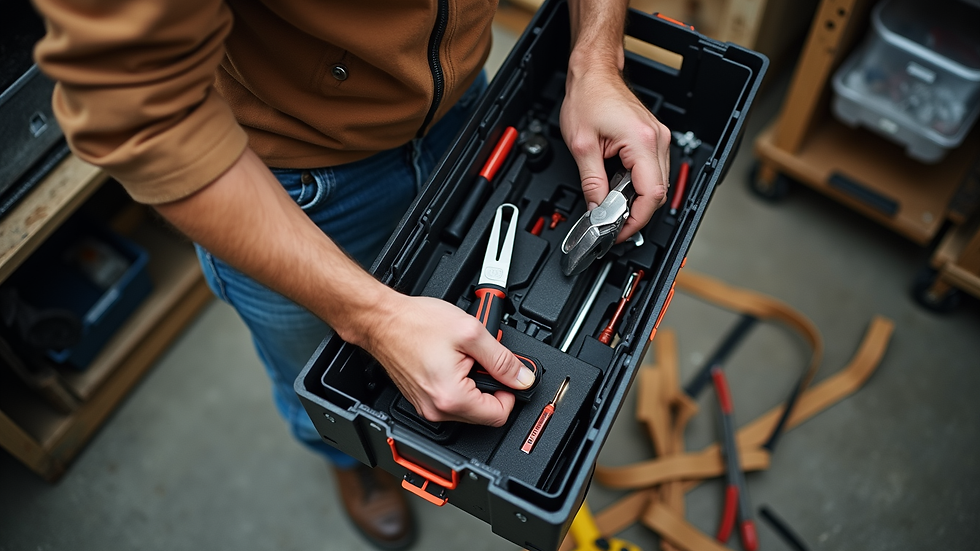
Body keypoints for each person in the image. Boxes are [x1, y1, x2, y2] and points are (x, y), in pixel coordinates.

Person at [33, 0, 671, 548]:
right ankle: (347, 457)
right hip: (286, 188)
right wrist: (372, 315)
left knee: (424, 343)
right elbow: (140, 115)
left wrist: (595, 61)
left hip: (467, 113)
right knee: (317, 376)